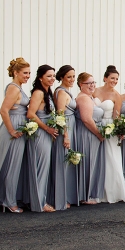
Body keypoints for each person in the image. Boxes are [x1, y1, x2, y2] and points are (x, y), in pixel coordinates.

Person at [0, 58, 31, 213]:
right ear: (16, 72)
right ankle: (9, 202)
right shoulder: (14, 88)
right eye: (25, 73)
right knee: (12, 165)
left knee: (14, 164)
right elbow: (3, 110)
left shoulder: (18, 87)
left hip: (19, 126)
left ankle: (9, 198)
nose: (28, 76)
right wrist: (12, 131)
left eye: (29, 73)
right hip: (14, 128)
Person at [24, 65, 58, 213]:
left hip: (46, 133)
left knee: (44, 167)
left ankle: (39, 199)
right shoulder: (38, 93)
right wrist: (47, 128)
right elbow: (31, 114)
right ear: (40, 78)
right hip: (40, 133)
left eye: (53, 76)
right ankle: (39, 202)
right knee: (41, 167)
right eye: (49, 76)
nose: (52, 78)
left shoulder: (47, 92)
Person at [94, 65, 125, 204]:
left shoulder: (116, 95)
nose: (114, 81)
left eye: (116, 79)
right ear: (105, 78)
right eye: (112, 78)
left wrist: (119, 130)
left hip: (109, 128)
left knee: (111, 158)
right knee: (97, 158)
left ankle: (113, 192)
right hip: (94, 125)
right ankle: (95, 191)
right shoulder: (95, 91)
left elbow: (116, 115)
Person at [74, 73, 106, 205]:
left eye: (93, 82)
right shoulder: (83, 98)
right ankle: (85, 195)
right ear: (81, 84)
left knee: (92, 162)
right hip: (87, 134)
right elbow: (87, 119)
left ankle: (89, 193)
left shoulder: (89, 97)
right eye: (89, 83)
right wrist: (99, 134)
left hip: (92, 133)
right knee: (88, 163)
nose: (92, 85)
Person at [49, 65, 78, 210]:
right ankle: (60, 199)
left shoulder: (66, 91)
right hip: (65, 129)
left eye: (73, 76)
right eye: (69, 77)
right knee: (62, 163)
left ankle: (66, 196)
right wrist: (65, 136)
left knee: (67, 163)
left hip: (70, 127)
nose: (72, 79)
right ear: (62, 77)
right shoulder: (61, 92)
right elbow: (60, 116)